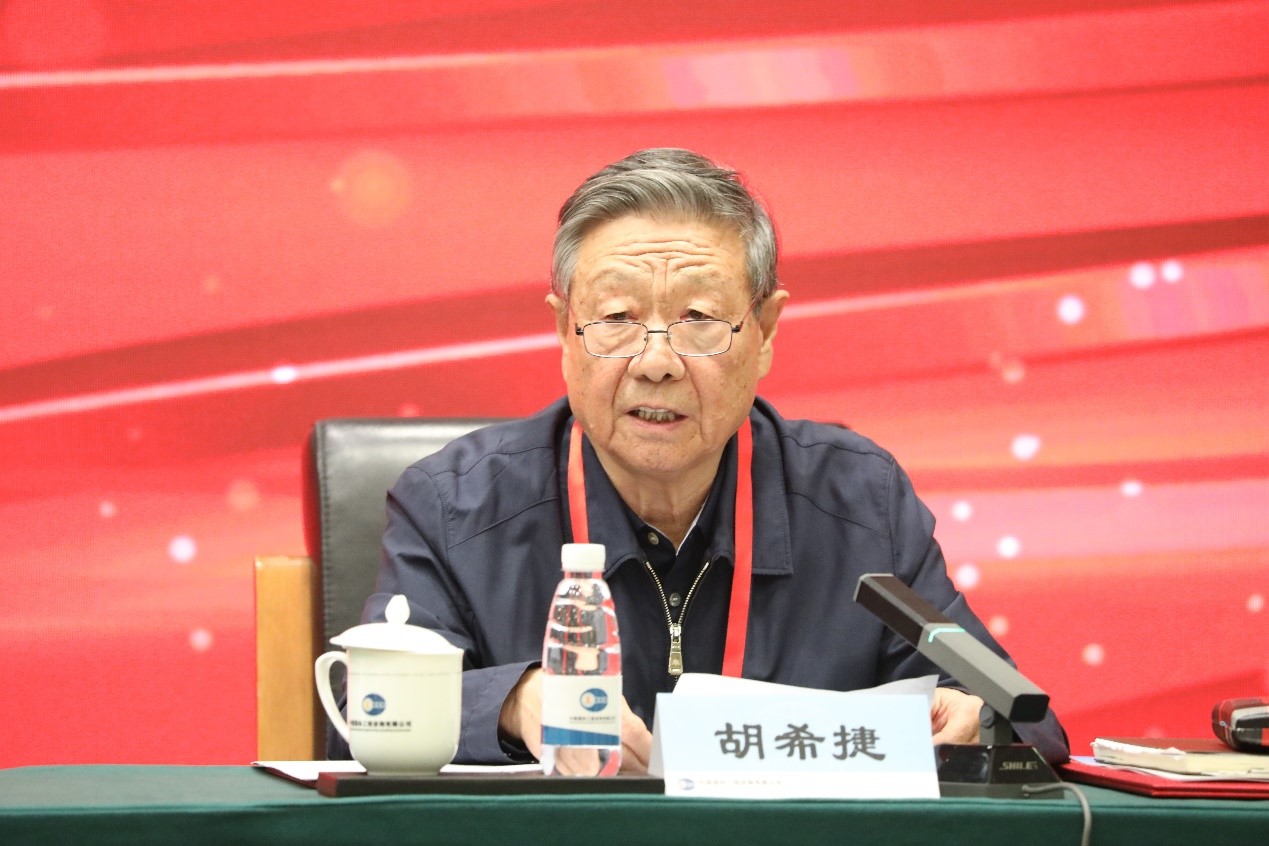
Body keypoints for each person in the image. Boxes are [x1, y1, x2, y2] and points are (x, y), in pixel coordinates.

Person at [342, 148, 1069, 769]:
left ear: (765, 331)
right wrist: (515, 703)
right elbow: (361, 708)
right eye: (617, 317)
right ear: (565, 331)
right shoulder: (454, 505)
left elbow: (1026, 720)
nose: (656, 361)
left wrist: (982, 723)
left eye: (698, 318)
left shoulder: (859, 502)